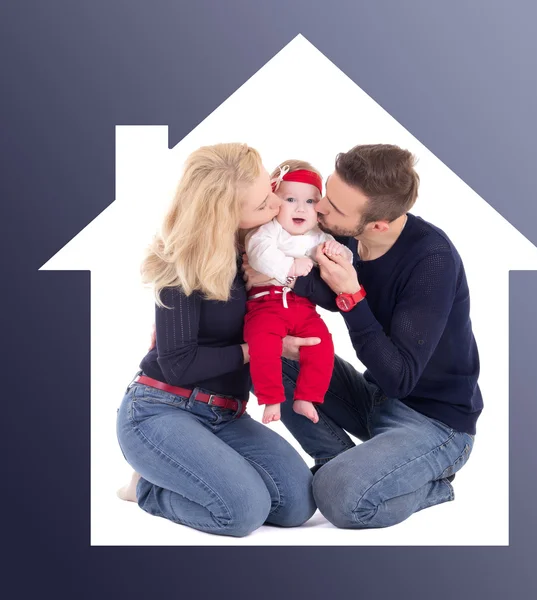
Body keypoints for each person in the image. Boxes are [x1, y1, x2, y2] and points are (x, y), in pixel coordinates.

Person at [244, 144, 483, 529]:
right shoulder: (346, 237)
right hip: (373, 400)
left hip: (435, 423)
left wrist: (353, 296)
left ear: (378, 224)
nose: (319, 209)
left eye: (334, 208)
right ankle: (335, 460)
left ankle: (428, 486)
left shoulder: (431, 261)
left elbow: (398, 378)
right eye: (327, 194)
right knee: (267, 351)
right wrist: (272, 276)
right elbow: (314, 287)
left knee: (341, 500)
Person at [116, 143, 317, 537]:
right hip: (162, 408)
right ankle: (148, 488)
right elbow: (178, 365)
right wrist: (261, 349)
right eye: (263, 202)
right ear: (226, 213)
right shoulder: (182, 264)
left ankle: (198, 469)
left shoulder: (254, 250)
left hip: (224, 413)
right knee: (243, 513)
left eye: (271, 189)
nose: (276, 203)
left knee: (297, 503)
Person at [244, 159, 352, 425]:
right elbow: (259, 253)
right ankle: (271, 398)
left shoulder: (319, 237)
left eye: (310, 202)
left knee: (321, 344)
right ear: (274, 202)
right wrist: (290, 267)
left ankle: (308, 397)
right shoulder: (269, 231)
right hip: (266, 305)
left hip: (303, 308)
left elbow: (345, 257)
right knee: (263, 343)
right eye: (290, 199)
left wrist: (340, 252)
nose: (301, 208)